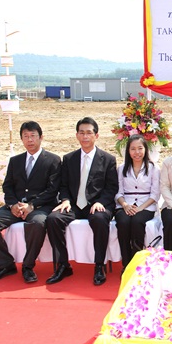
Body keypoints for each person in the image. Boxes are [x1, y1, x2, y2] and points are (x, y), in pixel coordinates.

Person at [0, 121, 61, 283]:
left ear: (41, 137)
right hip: (15, 206)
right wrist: (12, 205)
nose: (30, 140)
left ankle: (28, 266)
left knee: (37, 224)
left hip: (40, 207)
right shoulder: (15, 160)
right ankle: (6, 264)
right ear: (21, 139)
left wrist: (32, 205)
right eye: (26, 136)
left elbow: (52, 190)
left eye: (33, 136)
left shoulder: (53, 160)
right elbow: (7, 186)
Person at [45, 117, 118, 286]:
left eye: (89, 133)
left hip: (98, 204)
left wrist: (101, 202)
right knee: (53, 219)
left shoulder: (108, 159)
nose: (85, 136)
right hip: (74, 204)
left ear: (96, 135)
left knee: (100, 219)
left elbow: (111, 187)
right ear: (77, 135)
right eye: (81, 133)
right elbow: (63, 185)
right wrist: (65, 200)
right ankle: (63, 265)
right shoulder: (69, 159)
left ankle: (99, 265)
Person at [115, 135, 160, 269]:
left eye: (140, 148)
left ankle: (137, 263)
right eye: (133, 149)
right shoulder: (122, 168)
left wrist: (140, 208)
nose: (137, 152)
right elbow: (118, 192)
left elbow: (155, 194)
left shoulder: (153, 168)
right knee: (123, 222)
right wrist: (124, 205)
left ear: (145, 150)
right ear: (128, 151)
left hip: (146, 205)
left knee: (137, 222)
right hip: (125, 204)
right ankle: (126, 263)